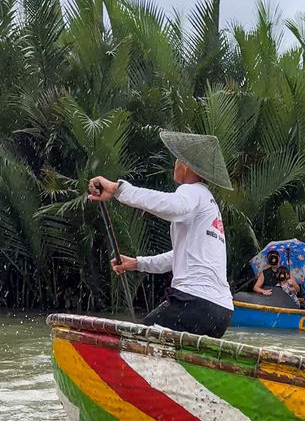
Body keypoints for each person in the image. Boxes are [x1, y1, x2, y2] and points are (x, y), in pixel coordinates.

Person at [88, 130, 234, 338]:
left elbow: (172, 207)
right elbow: (179, 256)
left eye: (176, 160)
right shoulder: (209, 204)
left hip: (194, 301)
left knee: (136, 339)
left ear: (186, 166)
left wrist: (118, 189)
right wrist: (137, 263)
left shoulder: (191, 191)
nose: (174, 164)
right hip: (221, 311)